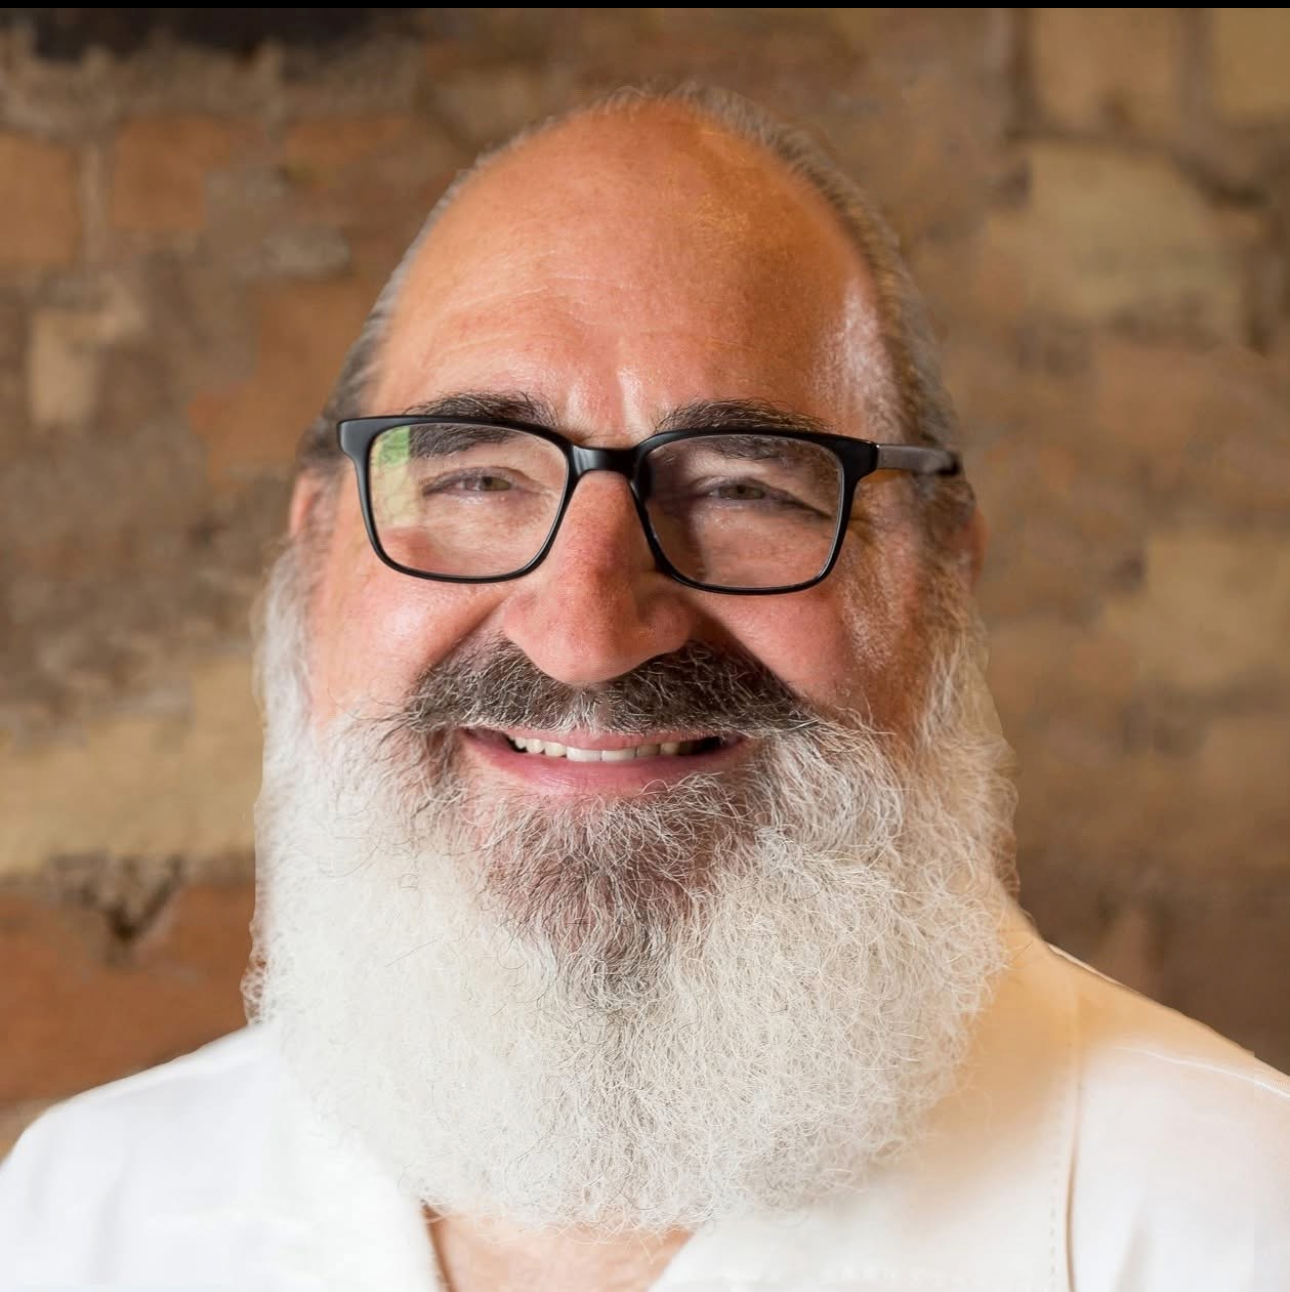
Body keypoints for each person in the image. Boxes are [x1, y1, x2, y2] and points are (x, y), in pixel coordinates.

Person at [2, 85, 1287, 1292]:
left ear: (942, 582)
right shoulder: (86, 1212)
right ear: (318, 550)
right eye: (474, 479)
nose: (583, 630)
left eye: (743, 486)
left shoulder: (1231, 1229)